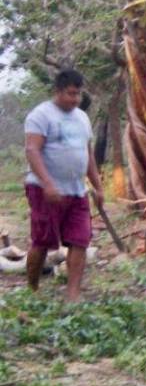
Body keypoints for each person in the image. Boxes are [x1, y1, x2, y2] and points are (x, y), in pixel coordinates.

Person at [24, 70, 103, 302]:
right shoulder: (40, 115)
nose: (75, 99)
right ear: (57, 91)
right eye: (70, 94)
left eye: (78, 94)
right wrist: (48, 184)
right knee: (43, 242)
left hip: (77, 190)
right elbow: (32, 150)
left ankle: (72, 294)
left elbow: (88, 153)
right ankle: (32, 289)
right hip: (43, 190)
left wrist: (98, 187)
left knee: (80, 240)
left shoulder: (82, 118)